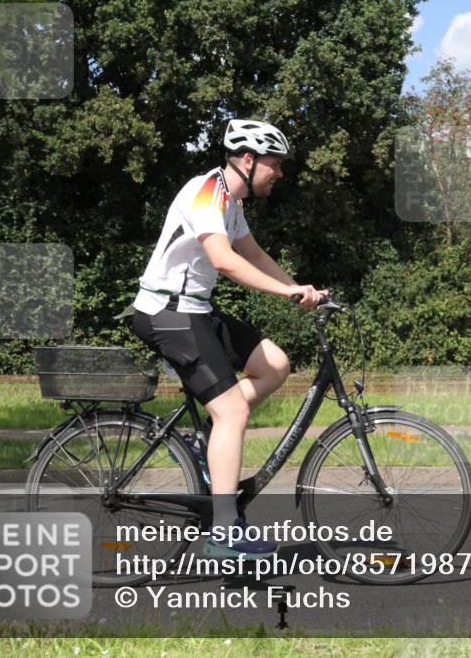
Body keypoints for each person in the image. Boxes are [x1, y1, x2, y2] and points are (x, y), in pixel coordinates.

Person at [130, 119, 327, 559]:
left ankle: (214, 435)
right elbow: (224, 260)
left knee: (274, 365)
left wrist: (303, 289)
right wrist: (284, 292)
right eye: (273, 165)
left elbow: (253, 254)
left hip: (195, 309)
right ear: (247, 160)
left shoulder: (232, 203)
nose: (278, 173)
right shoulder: (207, 193)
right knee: (233, 409)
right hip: (166, 312)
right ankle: (222, 533)